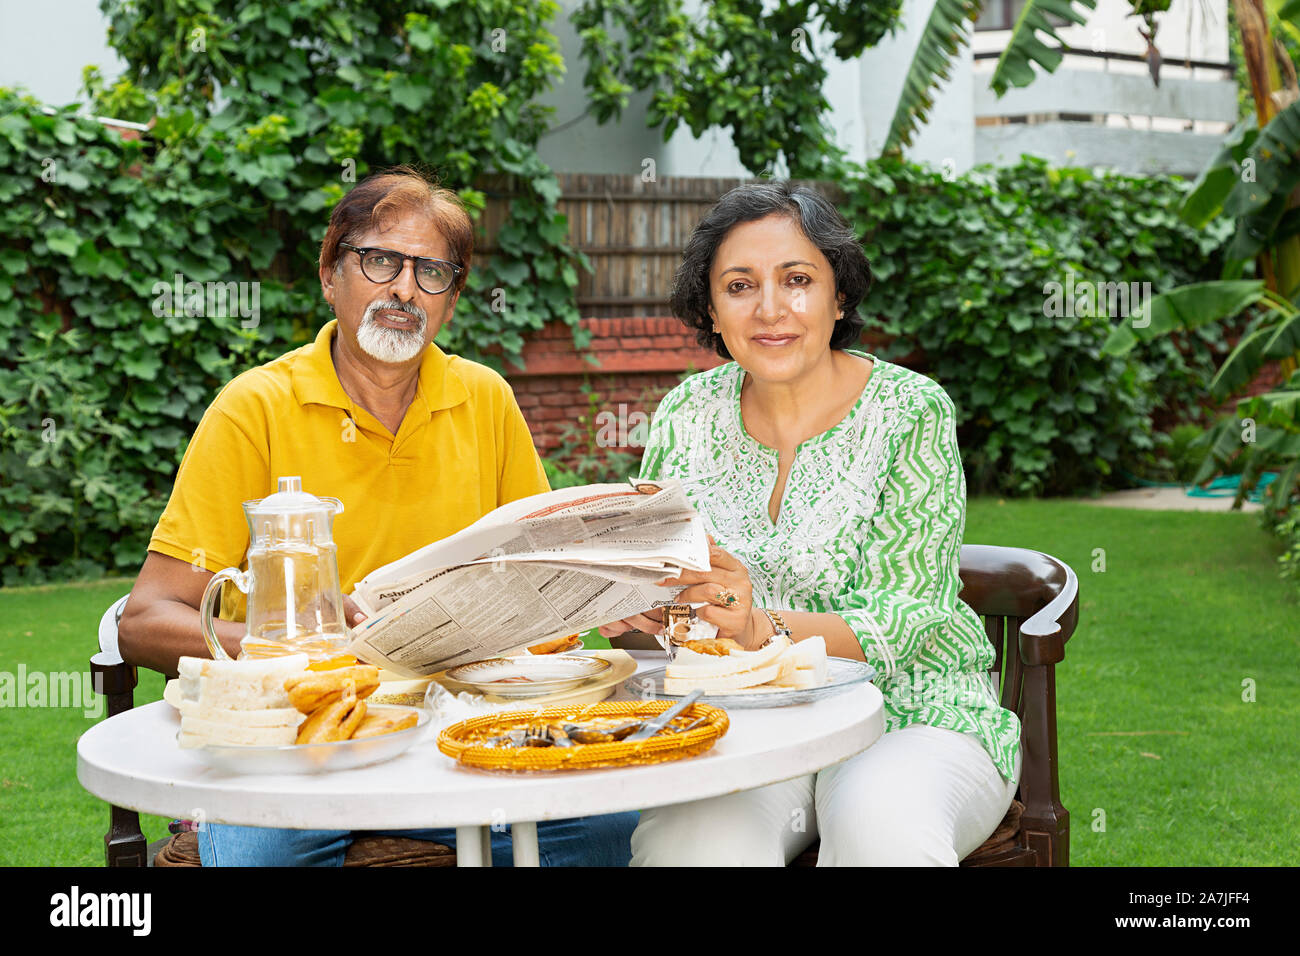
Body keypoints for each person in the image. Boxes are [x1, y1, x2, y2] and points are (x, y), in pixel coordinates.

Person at [118, 166, 637, 866]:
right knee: (253, 858)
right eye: (381, 260)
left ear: (452, 298)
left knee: (614, 826)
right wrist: (298, 651)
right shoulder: (254, 409)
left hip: (466, 732)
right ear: (332, 274)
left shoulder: (485, 400)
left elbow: (544, 595)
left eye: (432, 272)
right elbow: (145, 622)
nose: (403, 288)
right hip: (305, 743)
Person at [599, 181, 1022, 866]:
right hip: (747, 720)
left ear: (839, 295)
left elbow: (907, 617)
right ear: (710, 307)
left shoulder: (911, 412)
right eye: (739, 286)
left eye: (797, 280)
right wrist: (640, 609)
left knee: (879, 829)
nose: (771, 309)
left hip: (911, 713)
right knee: (692, 848)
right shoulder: (685, 415)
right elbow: (676, 601)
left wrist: (761, 628)